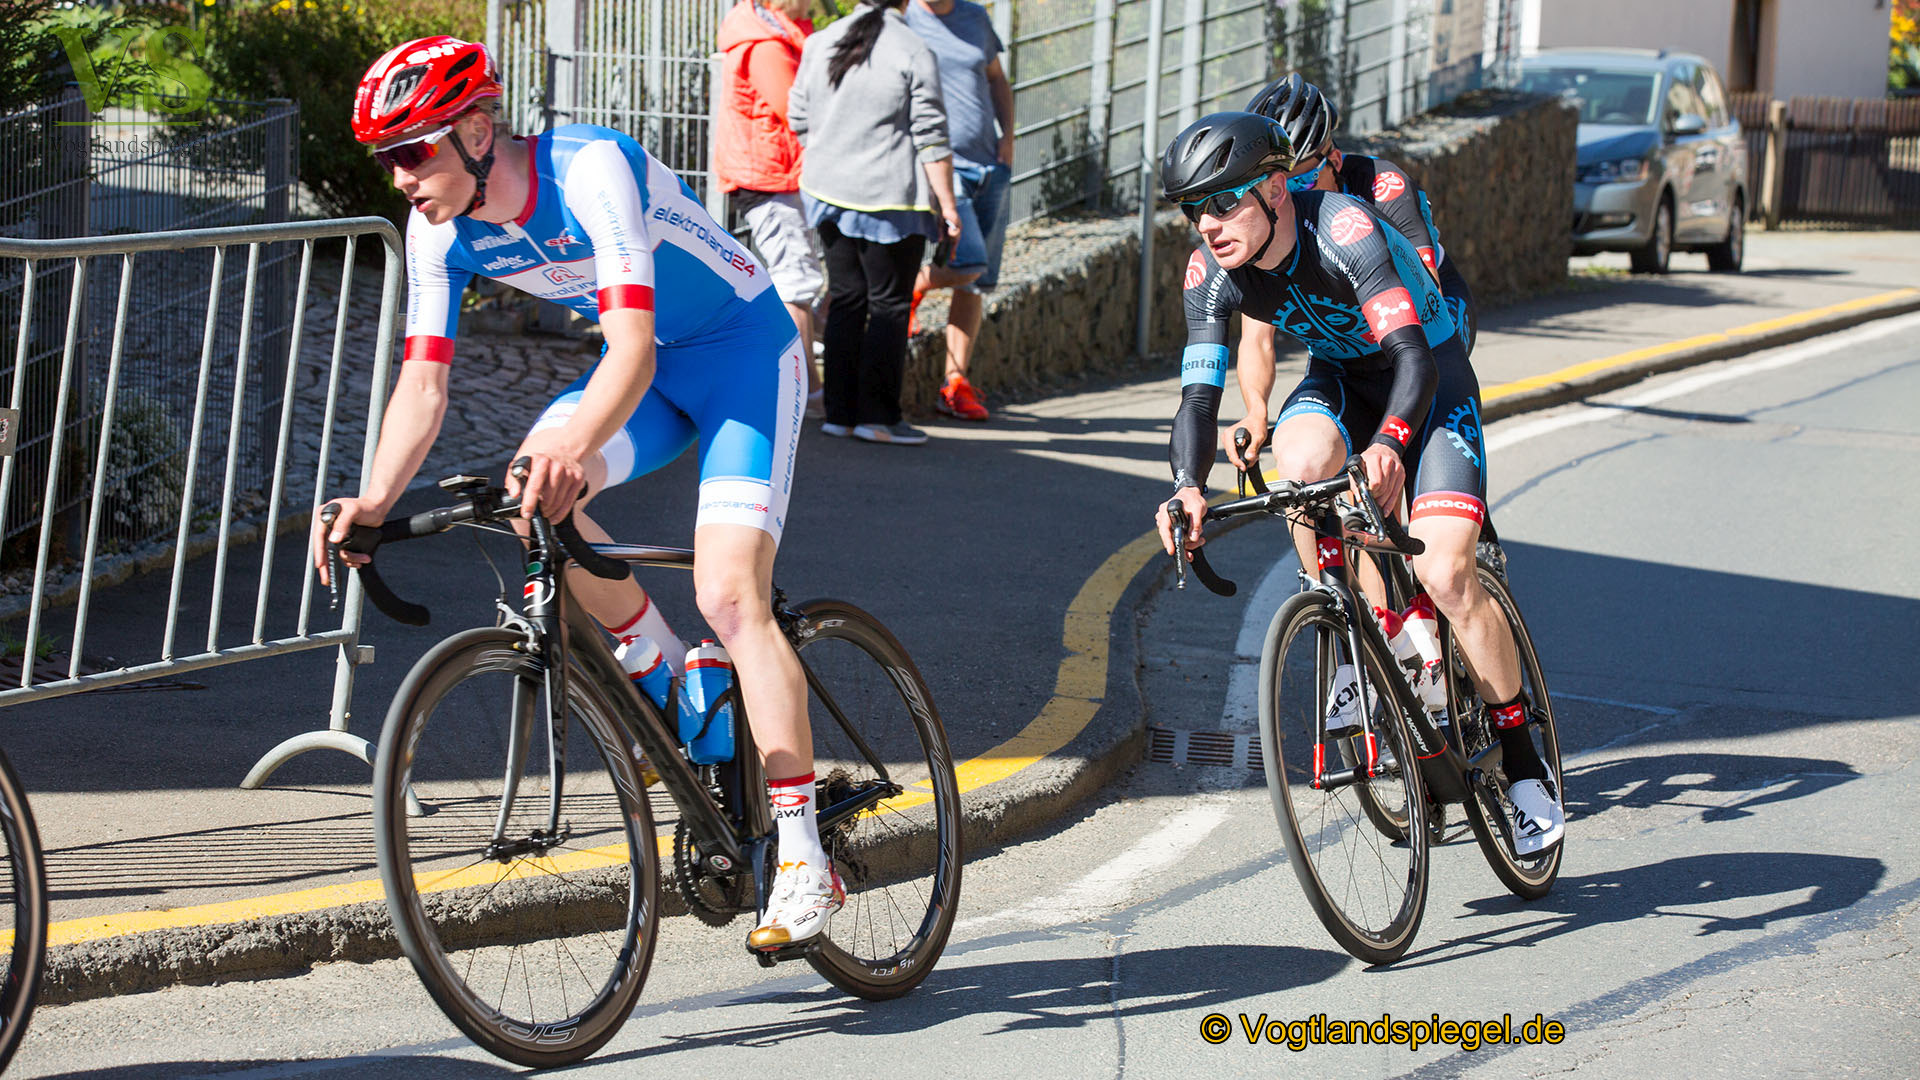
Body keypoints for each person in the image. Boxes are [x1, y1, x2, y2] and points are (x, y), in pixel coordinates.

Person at [318, 36, 844, 949]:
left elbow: (634, 349)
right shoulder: (439, 230)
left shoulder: (590, 167)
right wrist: (369, 498)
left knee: (728, 590)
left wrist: (578, 445)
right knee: (533, 489)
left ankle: (804, 854)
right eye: (385, 159)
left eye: (412, 151)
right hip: (642, 374)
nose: (399, 177)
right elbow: (423, 386)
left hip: (741, 358)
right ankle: (671, 670)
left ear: (477, 130)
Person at [1152, 111, 1564, 854]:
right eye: (1192, 210)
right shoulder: (1211, 273)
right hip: (1341, 378)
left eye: (1222, 202)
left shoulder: (1345, 228)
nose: (1206, 225)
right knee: (1300, 467)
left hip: (1427, 380)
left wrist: (1391, 446)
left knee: (1444, 572)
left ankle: (1525, 761)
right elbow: (1197, 398)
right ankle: (1357, 641)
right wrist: (1186, 483)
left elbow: (1414, 357)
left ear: (1276, 188)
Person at [1227, 72, 1478, 476]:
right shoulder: (1268, 230)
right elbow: (1257, 337)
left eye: (1304, 179)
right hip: (1347, 326)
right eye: (1277, 186)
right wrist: (1256, 411)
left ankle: (1465, 515)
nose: (1289, 197)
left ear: (1335, 159)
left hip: (1432, 308)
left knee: (1415, 406)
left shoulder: (1384, 185)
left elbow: (1420, 290)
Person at [789, 0, 961, 446]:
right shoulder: (913, 49)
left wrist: (829, 154)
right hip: (890, 197)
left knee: (846, 299)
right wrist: (948, 206)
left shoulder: (820, 41)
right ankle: (879, 418)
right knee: (888, 305)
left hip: (827, 192)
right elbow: (932, 136)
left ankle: (839, 413)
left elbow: (798, 117)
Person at [716, 0, 828, 419]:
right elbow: (795, 110)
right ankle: (809, 396)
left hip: (776, 173)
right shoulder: (764, 42)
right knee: (796, 283)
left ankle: (800, 383)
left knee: (805, 279)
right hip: (768, 177)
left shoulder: (775, 29)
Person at [904, 0, 1014, 422]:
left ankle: (955, 384)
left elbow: (996, 79)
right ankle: (914, 284)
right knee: (970, 261)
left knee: (978, 282)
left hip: (990, 165)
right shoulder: (905, 18)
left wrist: (1008, 140)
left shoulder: (975, 17)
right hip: (941, 168)